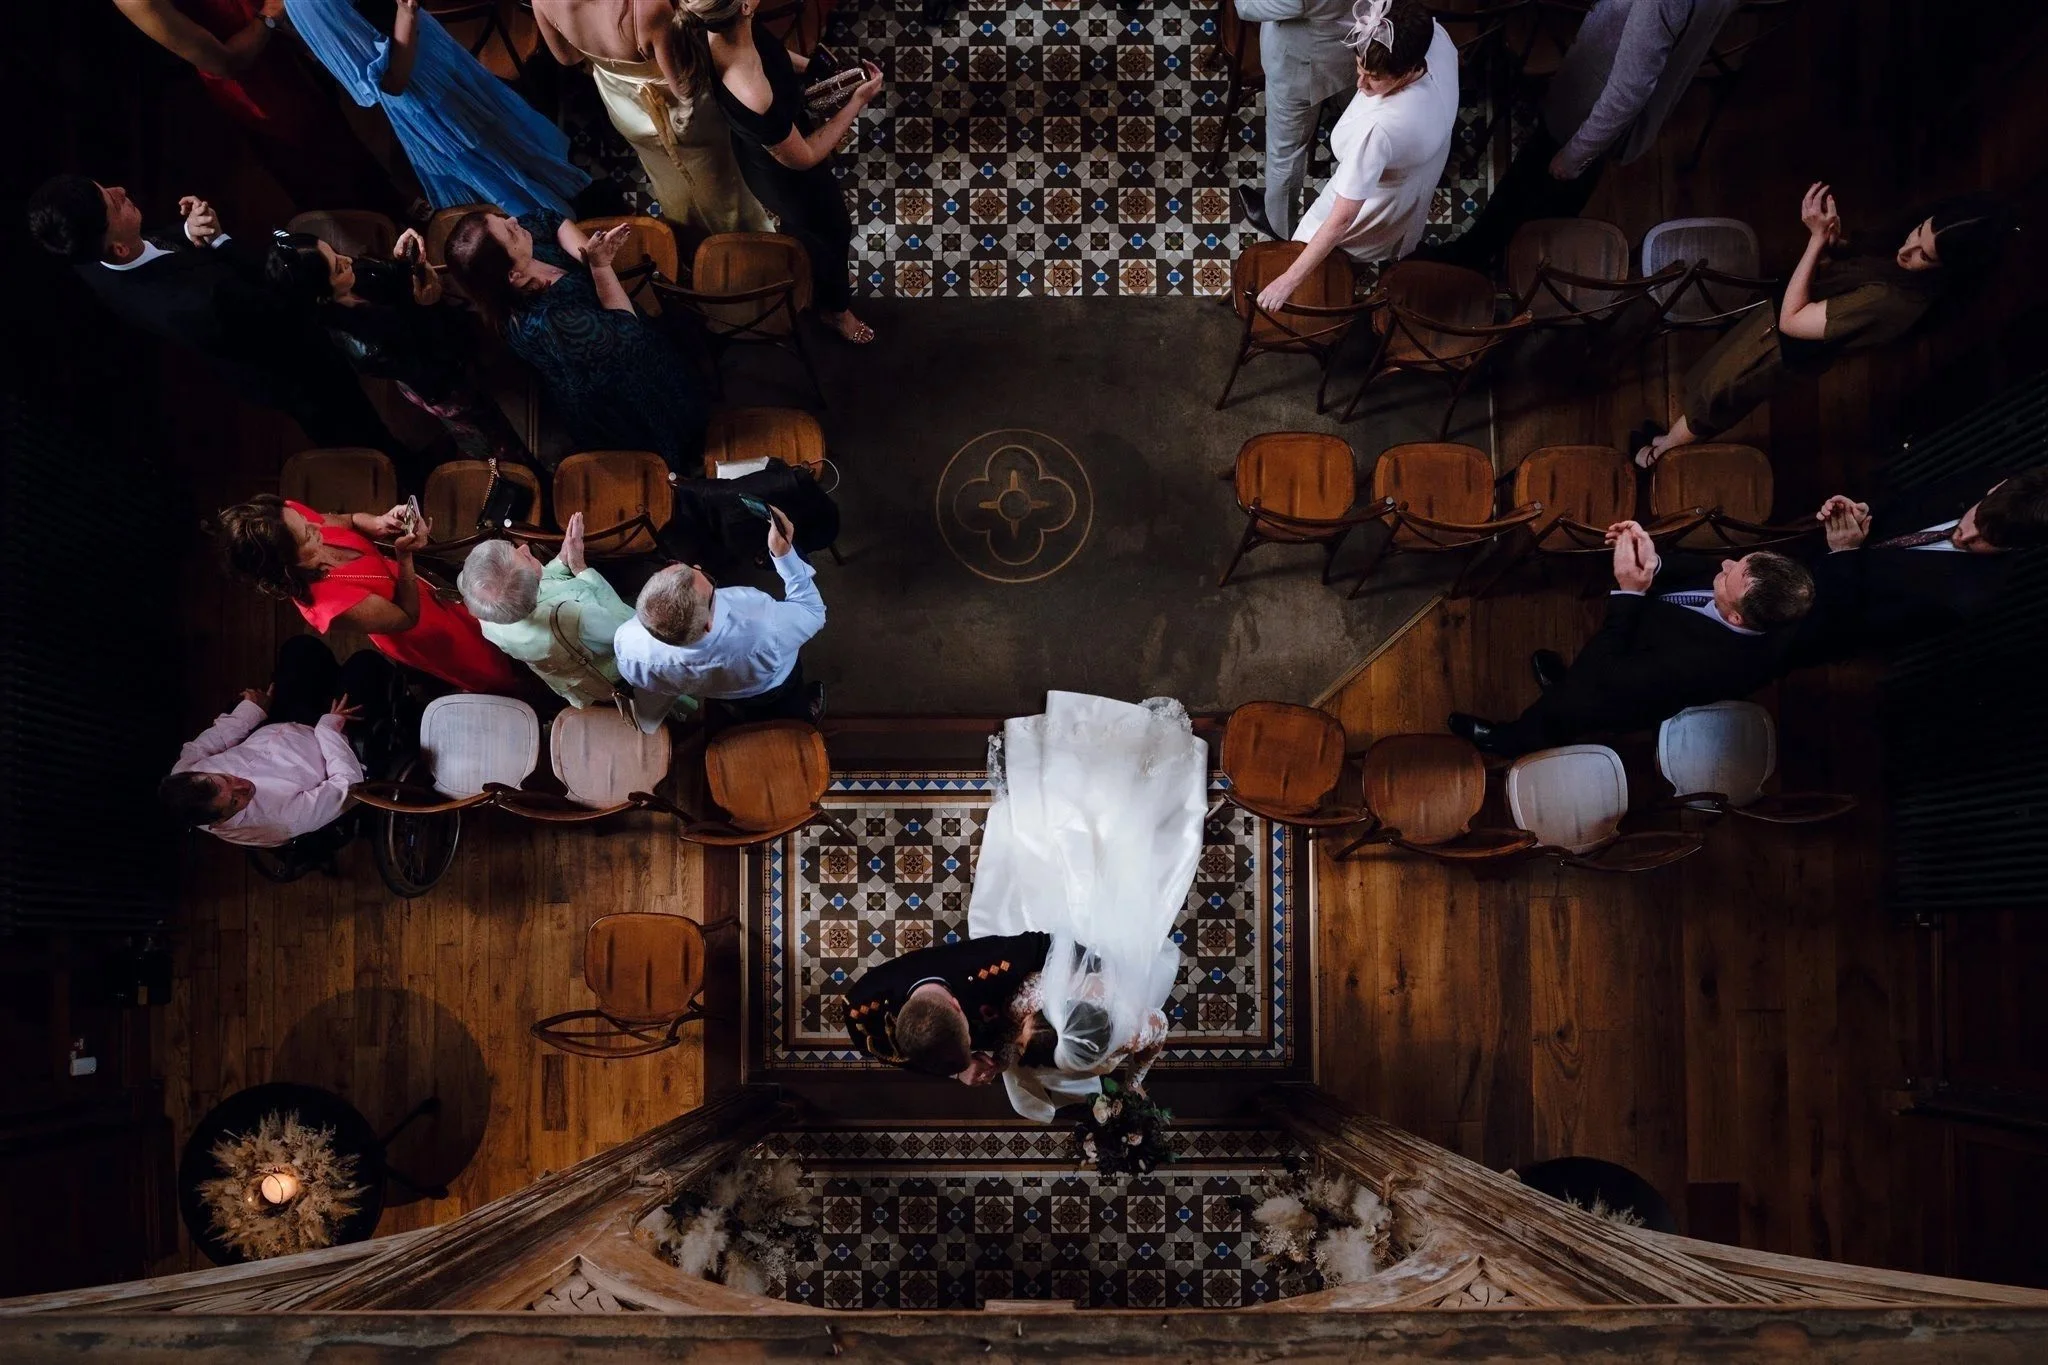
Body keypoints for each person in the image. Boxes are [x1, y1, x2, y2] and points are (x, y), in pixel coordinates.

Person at [1634, 186, 2013, 468]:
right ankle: (1667, 441)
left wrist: (1815, 242)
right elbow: (1859, 263)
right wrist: (1834, 240)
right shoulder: (1900, 269)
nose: (1908, 250)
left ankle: (1659, 452)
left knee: (1716, 397)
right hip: (1779, 330)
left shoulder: (1893, 302)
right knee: (1715, 386)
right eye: (1919, 232)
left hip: (1781, 348)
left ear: (1948, 271)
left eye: (1924, 256)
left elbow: (1793, 322)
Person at [966, 692, 1206, 1122]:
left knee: (1114, 859)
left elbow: (1157, 1037)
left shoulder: (1133, 1027)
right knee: (1061, 858)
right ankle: (1077, 768)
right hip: (1089, 942)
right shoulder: (1035, 1001)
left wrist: (1134, 1082)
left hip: (1103, 942)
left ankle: (1098, 773)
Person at [27, 175, 393, 450]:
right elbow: (283, 306)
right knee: (354, 428)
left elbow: (150, 248)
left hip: (250, 331)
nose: (121, 190)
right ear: (117, 248)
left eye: (107, 188)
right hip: (291, 363)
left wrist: (188, 232)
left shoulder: (89, 257)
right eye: (114, 203)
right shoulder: (196, 303)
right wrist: (219, 239)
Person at [1449, 522, 1815, 756]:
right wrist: (1654, 564)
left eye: (1728, 577)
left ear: (1737, 617)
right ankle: (1562, 686)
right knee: (1573, 684)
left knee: (1562, 712)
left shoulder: (1712, 665)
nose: (1724, 566)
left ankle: (1506, 741)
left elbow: (1606, 672)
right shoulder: (1751, 590)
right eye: (1737, 562)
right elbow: (1701, 573)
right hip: (1639, 641)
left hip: (1621, 688)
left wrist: (1630, 593)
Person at [1427, 0, 1738, 269]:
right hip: (1601, 120)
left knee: (1528, 197)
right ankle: (1505, 258)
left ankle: (1478, 259)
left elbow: (1627, 93)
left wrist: (1576, 155)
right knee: (1547, 205)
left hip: (1584, 121)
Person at [673, 0, 883, 344]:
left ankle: (809, 265)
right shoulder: (752, 91)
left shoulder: (728, 24)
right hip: (785, 177)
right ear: (743, 6)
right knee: (832, 231)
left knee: (807, 230)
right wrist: (856, 102)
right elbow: (804, 156)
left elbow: (772, 54)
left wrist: (816, 70)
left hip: (769, 147)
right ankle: (836, 311)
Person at [443, 209, 710, 473]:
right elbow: (629, 333)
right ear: (512, 276)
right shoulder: (549, 323)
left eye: (503, 220)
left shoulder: (516, 252)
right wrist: (599, 266)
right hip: (617, 379)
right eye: (509, 232)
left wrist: (586, 250)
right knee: (663, 420)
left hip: (615, 336)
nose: (514, 221)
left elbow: (547, 219)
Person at [280, 0, 590, 216]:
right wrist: (407, 12)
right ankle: (553, 227)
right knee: (487, 163)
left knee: (502, 129)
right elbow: (392, 83)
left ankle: (564, 191)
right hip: (424, 91)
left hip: (436, 55)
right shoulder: (310, 4)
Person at [265, 226, 533, 468]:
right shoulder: (368, 349)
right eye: (338, 267)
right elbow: (434, 363)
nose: (347, 260)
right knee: (491, 433)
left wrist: (405, 262)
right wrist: (429, 306)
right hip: (441, 381)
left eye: (336, 252)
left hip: (449, 346)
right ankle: (522, 470)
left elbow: (394, 281)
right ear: (322, 297)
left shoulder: (353, 275)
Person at [111, 0, 407, 215]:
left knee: (347, 139)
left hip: (290, 46)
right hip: (259, 88)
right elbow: (225, 63)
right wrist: (269, 17)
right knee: (327, 177)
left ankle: (395, 203)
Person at [1256, 0, 1459, 314]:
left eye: (1373, 78)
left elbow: (1342, 220)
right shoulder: (1439, 39)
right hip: (1413, 185)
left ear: (1406, 72)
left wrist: (1288, 279)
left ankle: (1331, 298)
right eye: (1359, 68)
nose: (1361, 84)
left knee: (1324, 254)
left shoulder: (1377, 130)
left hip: (1372, 206)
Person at [211, 493, 527, 694]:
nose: (316, 525)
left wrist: (377, 522)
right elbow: (406, 618)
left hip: (423, 584)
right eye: (307, 534)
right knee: (494, 664)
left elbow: (347, 520)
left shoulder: (291, 518)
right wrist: (404, 557)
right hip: (421, 628)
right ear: (286, 565)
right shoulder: (325, 605)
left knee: (508, 616)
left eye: (306, 520)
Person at [532, 0, 767, 235]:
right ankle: (743, 237)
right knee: (721, 181)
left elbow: (568, 58)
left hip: (624, 105)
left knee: (667, 179)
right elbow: (683, 89)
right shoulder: (648, 7)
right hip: (677, 113)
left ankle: (690, 241)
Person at [1788, 468, 2048, 668]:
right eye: (1976, 517)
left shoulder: (1962, 600)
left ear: (2020, 547)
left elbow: (1850, 631)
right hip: (1800, 553)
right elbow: (1904, 503)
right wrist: (1863, 513)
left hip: (1795, 627)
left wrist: (1844, 555)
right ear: (1994, 488)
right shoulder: (1985, 482)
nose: (1967, 535)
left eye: (1988, 540)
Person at [160, 636, 398, 848]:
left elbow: (205, 744)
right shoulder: (282, 820)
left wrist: (250, 711)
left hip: (280, 726)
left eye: (227, 778)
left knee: (300, 649)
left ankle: (334, 680)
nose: (244, 786)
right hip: (335, 746)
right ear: (220, 821)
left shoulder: (184, 775)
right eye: (235, 800)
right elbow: (347, 784)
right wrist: (329, 728)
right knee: (365, 665)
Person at [612, 506, 826, 733]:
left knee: (743, 706)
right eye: (708, 581)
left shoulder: (628, 646)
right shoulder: (766, 628)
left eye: (678, 567)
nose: (698, 567)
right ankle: (803, 718)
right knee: (788, 706)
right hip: (772, 685)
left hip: (720, 691)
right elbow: (813, 612)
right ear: (707, 624)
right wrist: (784, 555)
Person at [458, 513, 661, 710]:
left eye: (514, 550)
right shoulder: (573, 617)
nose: (525, 548)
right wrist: (580, 568)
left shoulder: (488, 609)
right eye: (525, 559)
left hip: (570, 674)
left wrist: (563, 560)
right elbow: (625, 629)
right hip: (615, 666)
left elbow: (534, 585)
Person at [844, 932, 1056, 1083]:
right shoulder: (861, 1015)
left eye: (969, 1042)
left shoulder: (990, 963)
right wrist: (959, 1072)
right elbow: (892, 1054)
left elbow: (1045, 945)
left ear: (956, 1006)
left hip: (1005, 999)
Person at [1235, 0, 1358, 240]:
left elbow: (1247, 7)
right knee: (1353, 125)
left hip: (1303, 66)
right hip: (1352, 45)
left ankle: (1279, 227)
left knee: (1286, 153)